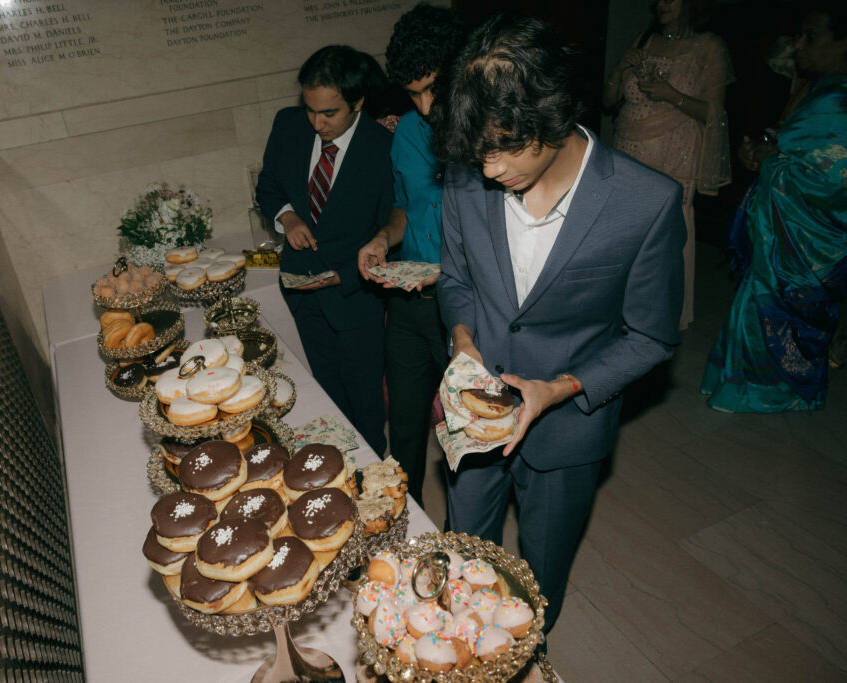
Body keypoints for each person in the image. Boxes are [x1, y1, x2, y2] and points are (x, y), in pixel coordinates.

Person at [433, 14, 685, 632]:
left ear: (556, 113)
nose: (490, 168)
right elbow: (458, 280)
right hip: (476, 412)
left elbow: (651, 335)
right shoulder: (467, 181)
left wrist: (560, 388)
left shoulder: (645, 202)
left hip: (569, 428)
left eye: (506, 146)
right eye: (479, 149)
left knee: (538, 580)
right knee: (461, 557)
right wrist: (463, 341)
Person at [701, 3, 847, 412]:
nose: (798, 45)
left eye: (811, 36)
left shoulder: (839, 99)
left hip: (812, 240)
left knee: (782, 305)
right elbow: (794, 149)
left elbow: (833, 180)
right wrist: (765, 153)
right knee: (758, 297)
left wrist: (770, 162)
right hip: (786, 235)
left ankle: (771, 393)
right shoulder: (818, 88)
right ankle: (745, 385)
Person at [356, 4, 468, 508]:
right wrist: (383, 239)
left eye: (433, 90)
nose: (424, 107)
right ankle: (405, 522)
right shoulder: (405, 133)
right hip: (408, 304)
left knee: (462, 436)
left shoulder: (485, 137)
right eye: (413, 93)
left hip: (464, 309)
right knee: (403, 426)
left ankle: (457, 545)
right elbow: (404, 206)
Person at [256, 45, 393, 454]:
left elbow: (392, 230)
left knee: (365, 400)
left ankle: (372, 473)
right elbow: (269, 185)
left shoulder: (383, 148)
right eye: (311, 110)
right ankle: (334, 467)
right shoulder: (288, 125)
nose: (317, 123)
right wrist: (288, 217)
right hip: (300, 291)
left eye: (329, 113)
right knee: (323, 391)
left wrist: (344, 276)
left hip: (355, 295)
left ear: (358, 102)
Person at [603, 0, 733, 329]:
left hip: (673, 155)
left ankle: (658, 315)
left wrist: (670, 94)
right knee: (623, 233)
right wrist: (620, 69)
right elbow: (607, 101)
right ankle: (616, 307)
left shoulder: (709, 46)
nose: (661, 3)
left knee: (664, 237)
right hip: (628, 149)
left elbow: (714, 114)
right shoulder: (644, 39)